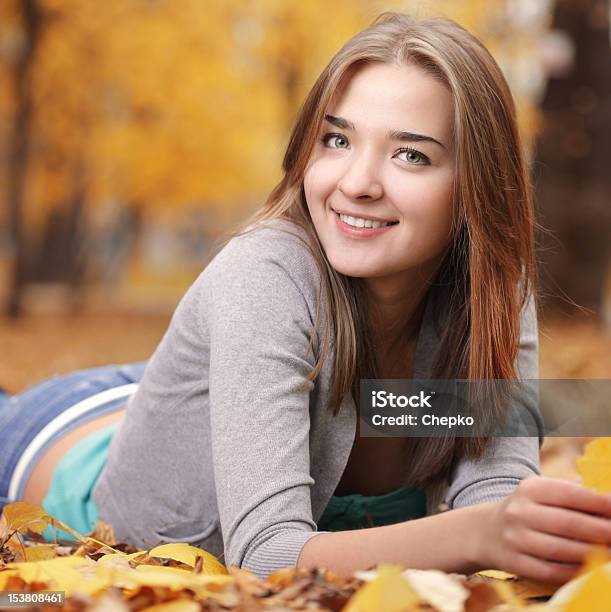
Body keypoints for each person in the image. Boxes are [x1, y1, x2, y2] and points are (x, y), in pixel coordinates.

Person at [2, 12, 611, 584]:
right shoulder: (267, 272)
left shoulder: (491, 288)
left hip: (212, 397)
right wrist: (479, 535)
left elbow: (496, 499)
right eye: (337, 140)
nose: (356, 183)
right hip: (64, 435)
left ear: (475, 183)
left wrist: (537, 531)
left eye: (410, 155)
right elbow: (267, 556)